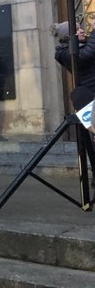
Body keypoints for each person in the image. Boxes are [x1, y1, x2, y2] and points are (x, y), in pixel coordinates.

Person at [53, 18, 95, 185]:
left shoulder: (85, 44)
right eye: (77, 29)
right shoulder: (63, 53)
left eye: (81, 27)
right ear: (68, 37)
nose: (82, 30)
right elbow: (85, 56)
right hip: (87, 99)